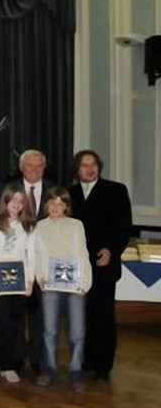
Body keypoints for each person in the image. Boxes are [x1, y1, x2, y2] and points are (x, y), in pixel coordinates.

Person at [69, 150, 132, 381]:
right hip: (77, 264)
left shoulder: (116, 190)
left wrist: (111, 250)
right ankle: (85, 360)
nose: (90, 169)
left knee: (103, 315)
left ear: (99, 167)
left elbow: (124, 227)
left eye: (93, 164)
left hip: (103, 261)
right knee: (81, 315)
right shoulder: (70, 193)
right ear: (77, 169)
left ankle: (103, 366)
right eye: (84, 165)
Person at [34, 187, 92, 392]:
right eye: (52, 203)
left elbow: (82, 254)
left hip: (75, 285)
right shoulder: (39, 227)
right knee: (49, 330)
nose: (56, 207)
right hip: (50, 285)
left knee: (77, 332)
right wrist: (40, 277)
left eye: (60, 203)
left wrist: (84, 282)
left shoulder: (76, 225)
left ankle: (76, 370)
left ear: (66, 206)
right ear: (46, 205)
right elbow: (37, 255)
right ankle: (49, 368)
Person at [0, 184, 36, 385]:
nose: (17, 204)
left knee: (14, 326)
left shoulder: (28, 225)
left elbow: (31, 256)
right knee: (0, 325)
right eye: (13, 200)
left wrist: (30, 281)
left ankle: (7, 365)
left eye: (21, 201)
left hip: (19, 283)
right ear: (5, 201)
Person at [18, 149, 56, 373]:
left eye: (39, 166)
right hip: (16, 261)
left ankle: (37, 359)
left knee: (40, 314)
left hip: (44, 263)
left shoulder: (54, 190)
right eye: (29, 166)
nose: (34, 170)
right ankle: (15, 358)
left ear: (44, 168)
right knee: (16, 315)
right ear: (21, 168)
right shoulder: (10, 189)